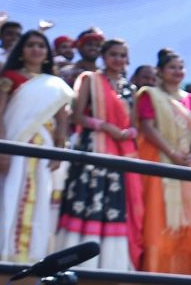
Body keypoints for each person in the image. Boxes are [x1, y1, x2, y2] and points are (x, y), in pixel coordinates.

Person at [56, 38, 143, 270]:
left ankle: (111, 262)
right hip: (92, 146)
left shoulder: (130, 88)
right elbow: (76, 116)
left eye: (123, 55)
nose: (118, 59)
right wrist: (105, 127)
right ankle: (79, 259)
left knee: (114, 203)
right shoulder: (90, 79)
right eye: (113, 54)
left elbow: (135, 124)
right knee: (88, 198)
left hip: (120, 152)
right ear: (104, 56)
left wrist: (128, 132)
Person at [0, 31, 72, 263]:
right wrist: (2, 148)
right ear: (22, 51)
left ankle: (31, 256)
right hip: (15, 143)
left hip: (44, 147)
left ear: (47, 53)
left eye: (41, 46)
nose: (36, 50)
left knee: (39, 199)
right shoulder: (10, 77)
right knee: (10, 194)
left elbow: (62, 120)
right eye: (31, 45)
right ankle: (5, 255)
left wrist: (59, 149)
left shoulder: (55, 85)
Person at [135, 49, 191, 277]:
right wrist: (171, 153)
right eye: (172, 68)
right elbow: (148, 127)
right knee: (158, 215)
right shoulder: (150, 95)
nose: (178, 72)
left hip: (188, 164)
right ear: (160, 72)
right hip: (160, 161)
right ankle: (155, 268)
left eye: (181, 68)